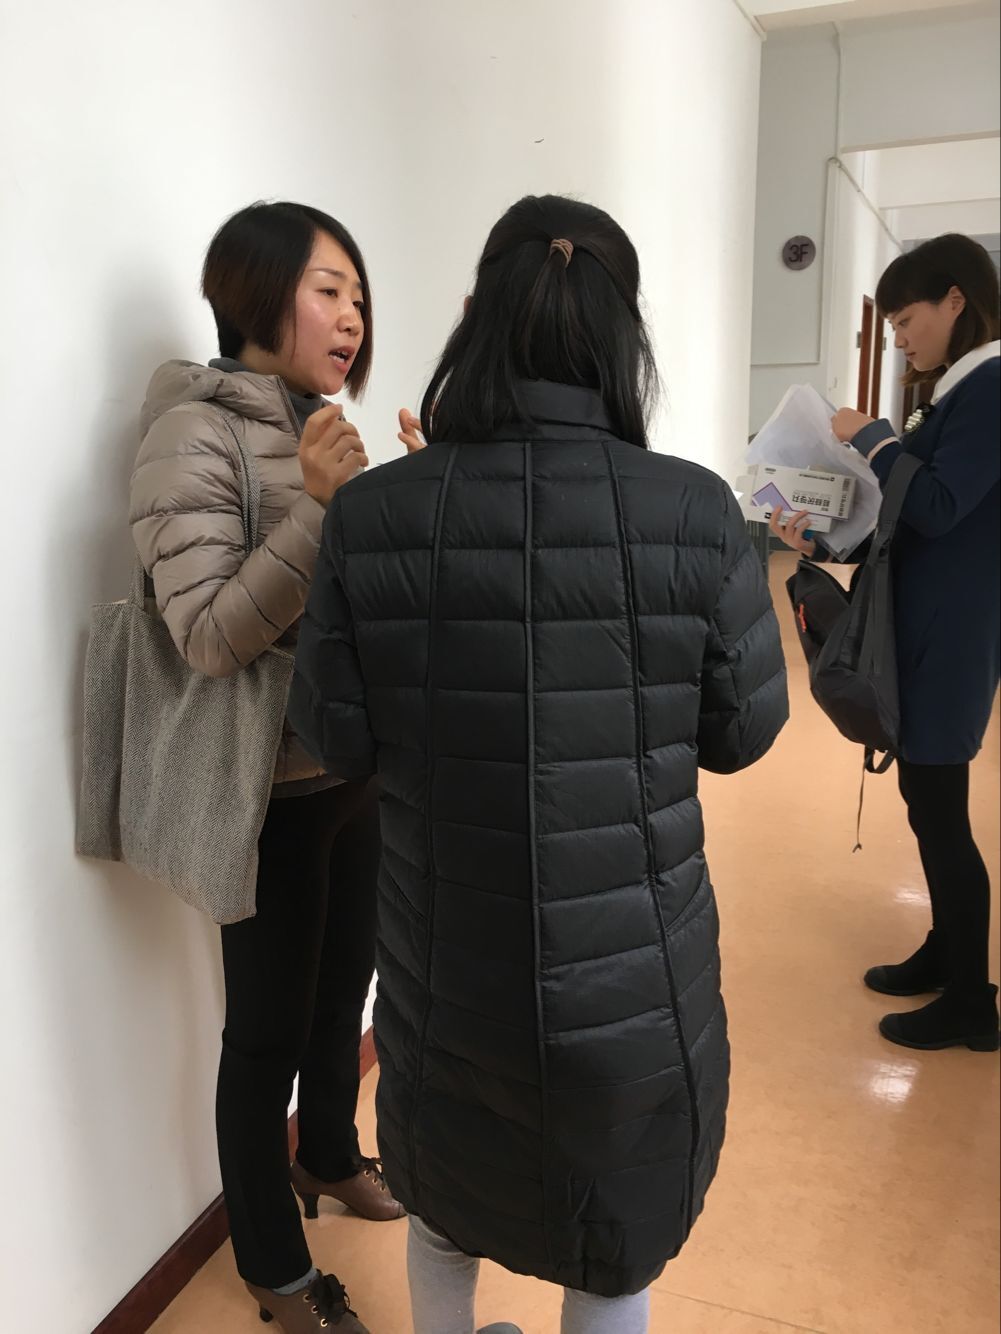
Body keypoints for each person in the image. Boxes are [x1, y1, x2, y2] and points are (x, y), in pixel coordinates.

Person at [288, 194, 789, 1334]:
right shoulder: (696, 511)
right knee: (612, 1244)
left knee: (441, 1205)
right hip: (633, 977)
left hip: (446, 965)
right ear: (623, 331)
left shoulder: (372, 516)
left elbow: (336, 737)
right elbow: (740, 733)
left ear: (476, 313)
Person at [129, 202, 404, 1334]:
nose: (350, 316)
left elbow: (354, 604)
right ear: (255, 291)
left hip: (350, 767)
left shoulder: (321, 426)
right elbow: (207, 635)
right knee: (264, 1036)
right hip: (268, 793)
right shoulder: (188, 436)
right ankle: (274, 1267)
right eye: (327, 289)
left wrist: (416, 499)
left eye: (357, 295)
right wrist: (325, 508)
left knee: (347, 992)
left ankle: (329, 1153)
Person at [772, 233, 1000, 1054]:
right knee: (925, 802)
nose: (899, 338)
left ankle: (971, 1003)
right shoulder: (956, 392)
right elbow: (907, 526)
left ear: (954, 301)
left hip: (950, 636)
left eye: (905, 319)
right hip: (926, 626)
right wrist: (821, 540)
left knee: (939, 811)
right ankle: (947, 952)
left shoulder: (991, 387)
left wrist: (872, 439)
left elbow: (934, 505)